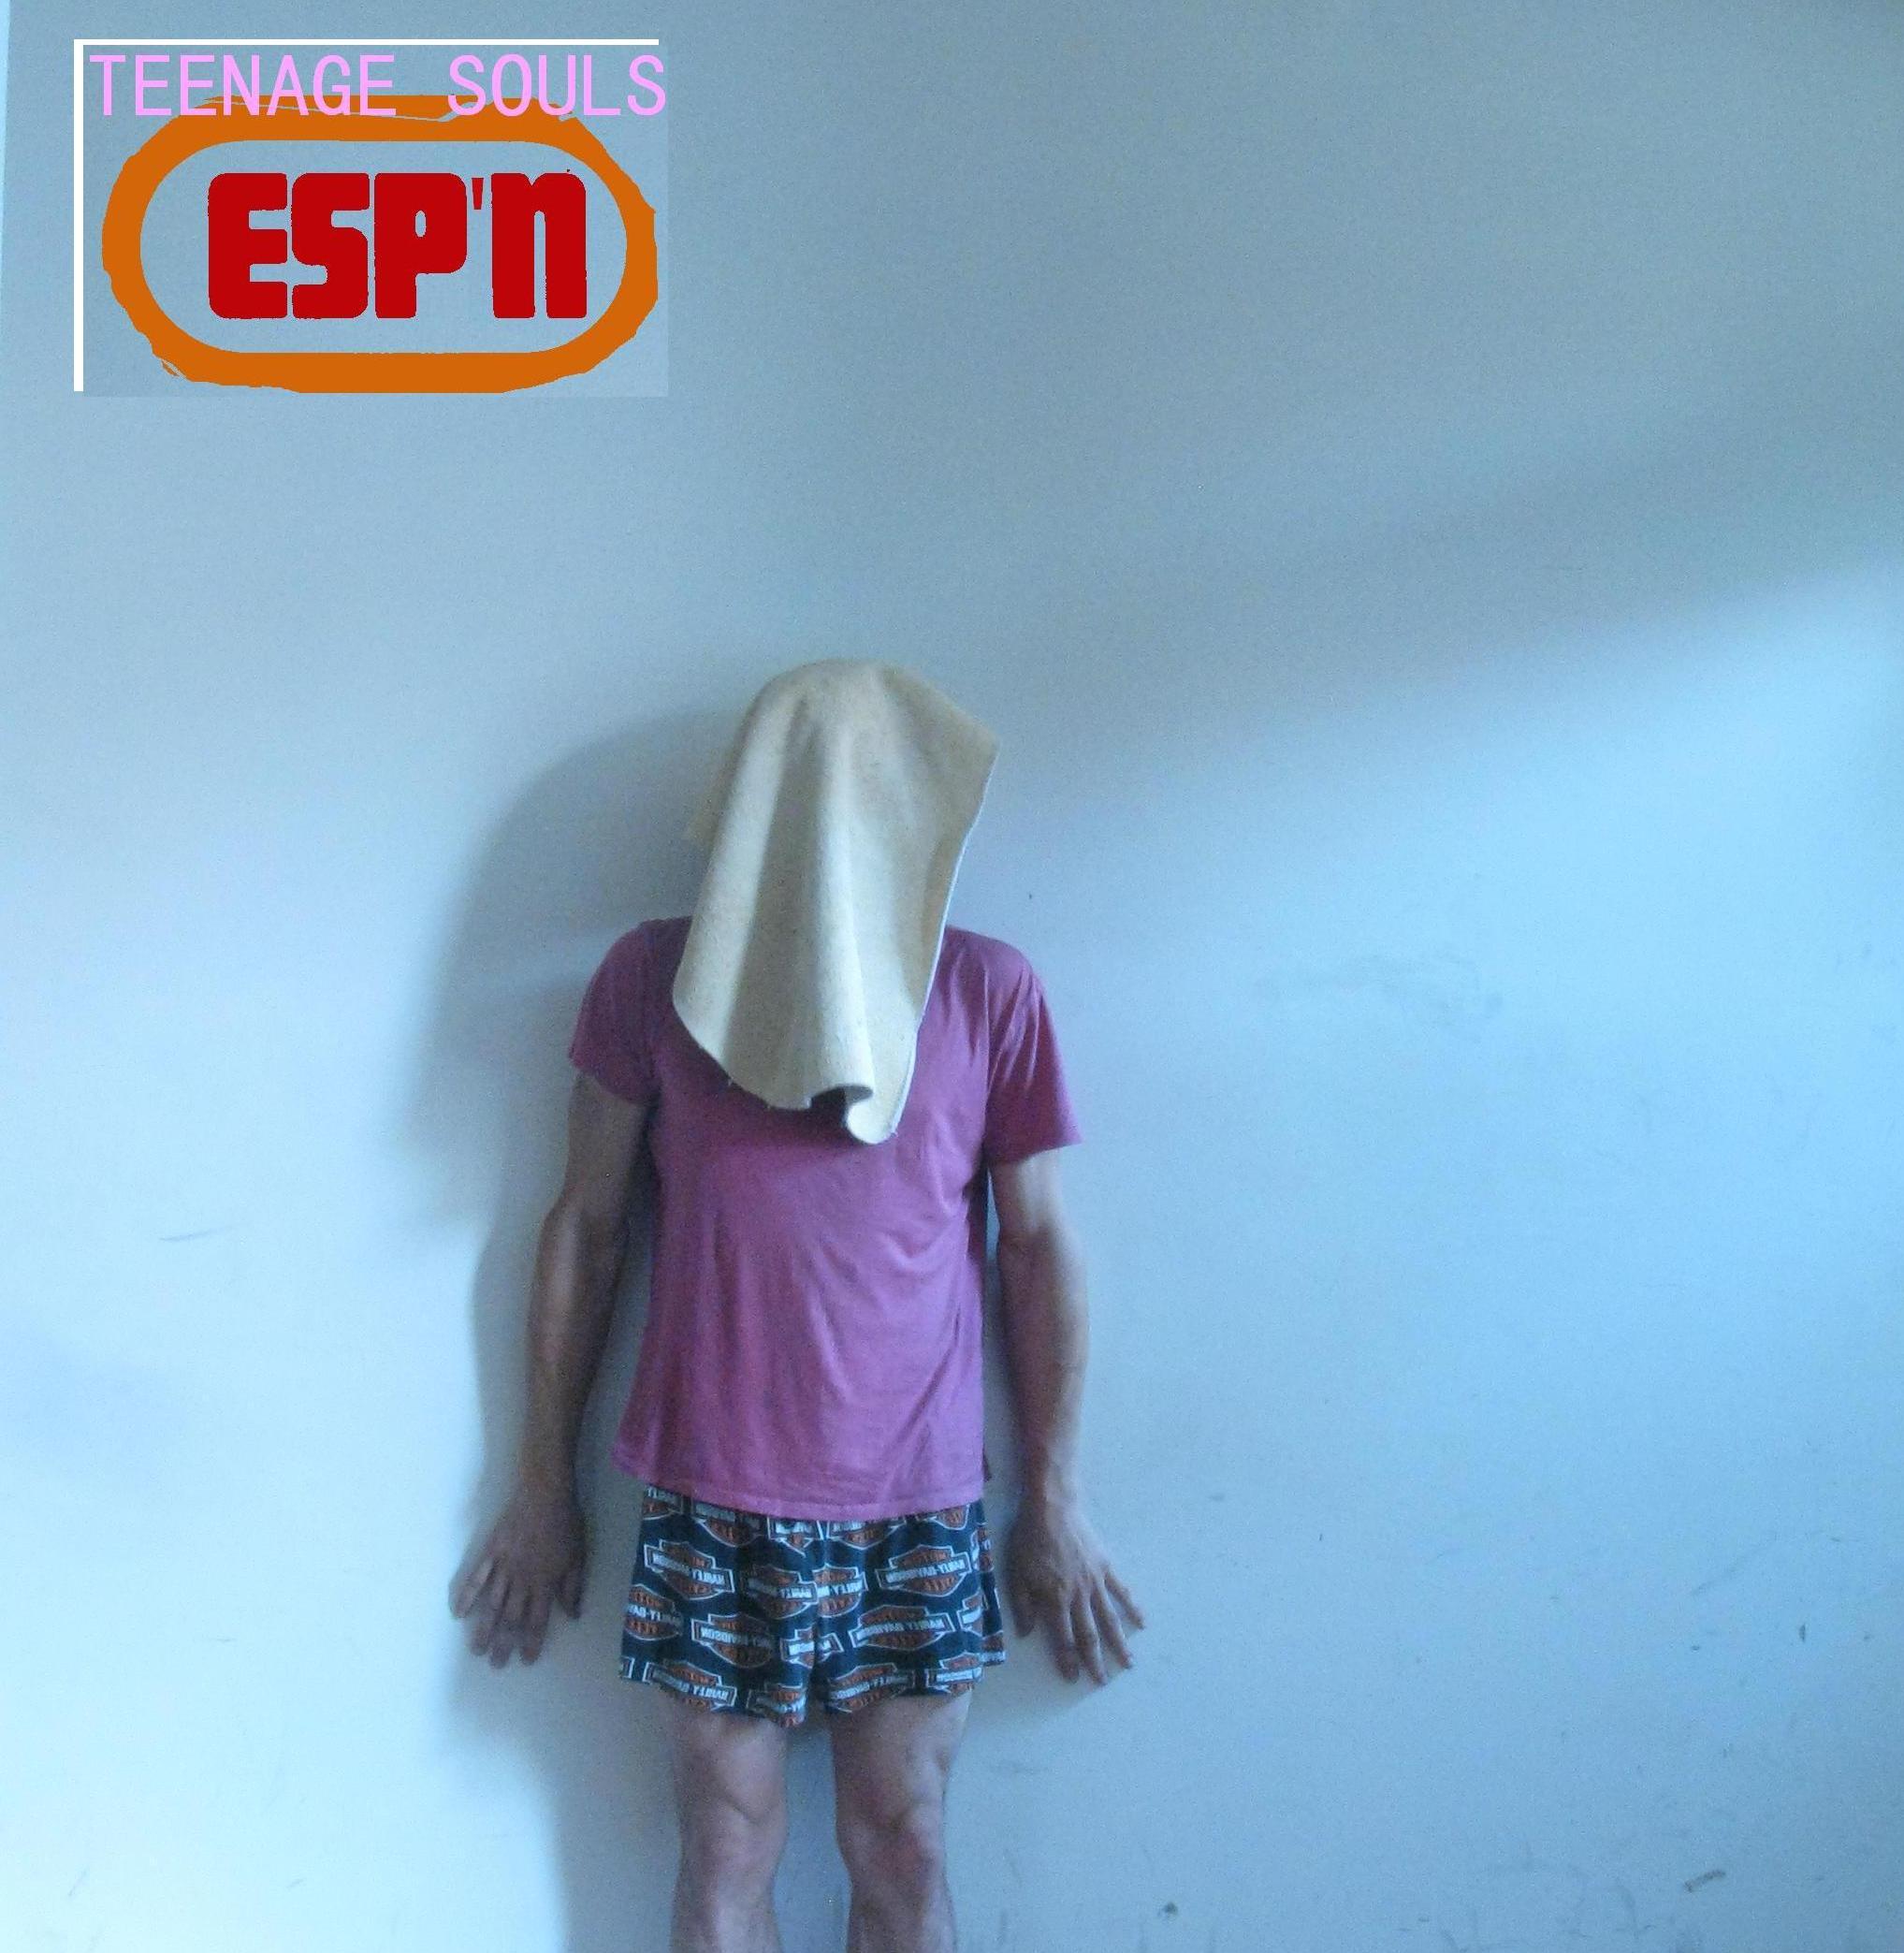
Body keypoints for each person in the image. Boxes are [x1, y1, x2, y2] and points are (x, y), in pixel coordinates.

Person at [451, 659, 1143, 1953]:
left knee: (906, 1838)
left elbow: (1038, 1251)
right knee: (725, 1842)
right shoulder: (651, 981)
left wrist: (1054, 1498)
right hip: (712, 1495)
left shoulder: (988, 992)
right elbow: (585, 1230)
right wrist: (541, 1486)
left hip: (918, 1496)